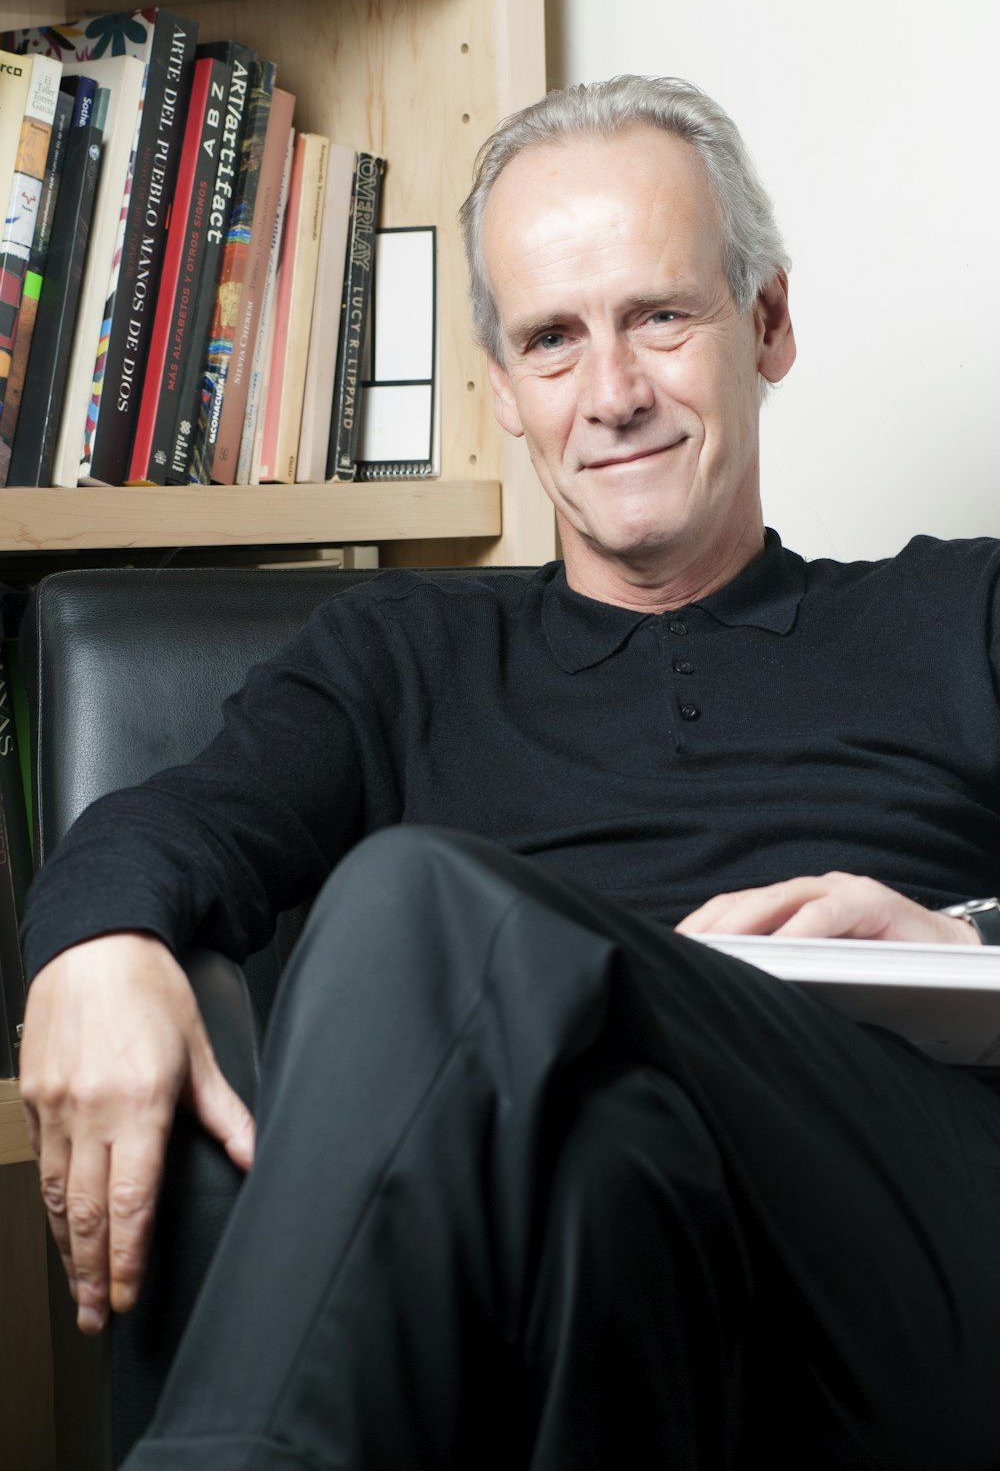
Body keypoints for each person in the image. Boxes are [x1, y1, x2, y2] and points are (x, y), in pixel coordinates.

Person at [19, 75, 1000, 1469]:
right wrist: (90, 939)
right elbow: (182, 821)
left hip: (914, 1253)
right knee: (604, 1159)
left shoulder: (961, 615)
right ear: (503, 389)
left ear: (766, 324)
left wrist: (968, 942)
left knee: (424, 905)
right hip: (596, 1254)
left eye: (661, 315)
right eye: (553, 339)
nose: (613, 393)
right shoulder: (401, 653)